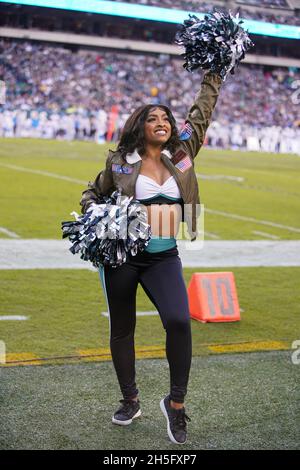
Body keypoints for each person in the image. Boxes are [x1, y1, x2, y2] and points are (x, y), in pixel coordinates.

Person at [80, 71, 222, 445]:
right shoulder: (121, 162)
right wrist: (96, 217)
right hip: (123, 258)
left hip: (164, 256)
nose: (162, 123)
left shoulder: (183, 152)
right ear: (140, 126)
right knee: (122, 329)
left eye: (166, 119)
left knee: (179, 321)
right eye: (152, 119)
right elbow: (91, 194)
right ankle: (130, 400)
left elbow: (202, 113)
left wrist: (214, 76)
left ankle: (175, 405)